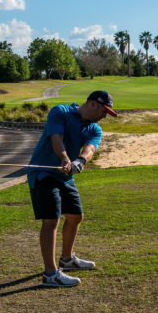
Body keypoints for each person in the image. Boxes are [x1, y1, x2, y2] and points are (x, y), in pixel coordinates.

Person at [27, 90, 117, 287]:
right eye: (104, 111)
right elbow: (56, 138)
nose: (104, 116)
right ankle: (50, 274)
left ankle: (67, 260)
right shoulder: (61, 111)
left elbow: (90, 148)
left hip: (65, 176)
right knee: (51, 220)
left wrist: (80, 161)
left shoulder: (94, 128)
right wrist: (66, 158)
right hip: (43, 173)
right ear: (94, 104)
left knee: (76, 216)